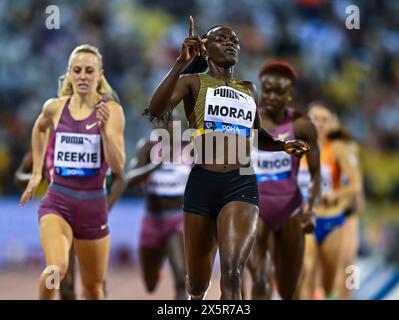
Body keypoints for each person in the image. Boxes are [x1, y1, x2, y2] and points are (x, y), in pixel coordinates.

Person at [146, 16, 310, 300]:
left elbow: (257, 136)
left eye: (234, 40)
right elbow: (155, 108)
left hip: (241, 184)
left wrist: (283, 146)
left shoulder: (248, 90)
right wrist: (179, 63)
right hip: (201, 183)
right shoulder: (192, 82)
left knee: (233, 273)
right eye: (222, 39)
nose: (231, 43)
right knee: (196, 285)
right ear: (205, 48)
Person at [19, 44, 125, 300]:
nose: (82, 76)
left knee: (93, 289)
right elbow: (39, 128)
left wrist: (103, 131)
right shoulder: (54, 108)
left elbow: (119, 166)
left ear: (100, 74)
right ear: (69, 74)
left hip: (93, 206)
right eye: (76, 70)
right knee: (55, 270)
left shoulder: (111, 111)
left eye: (89, 71)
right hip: (58, 202)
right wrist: (36, 172)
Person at [247, 60, 320, 300]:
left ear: (290, 95)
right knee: (259, 279)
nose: (271, 96)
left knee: (288, 290)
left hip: (290, 209)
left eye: (279, 92)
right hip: (253, 208)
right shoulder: (246, 122)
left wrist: (310, 210)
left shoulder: (302, 126)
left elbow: (316, 174)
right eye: (266, 89)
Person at [297, 103, 361, 300]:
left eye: (326, 120)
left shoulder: (346, 148)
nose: (322, 124)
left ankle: (345, 295)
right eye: (316, 119)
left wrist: (344, 203)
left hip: (343, 216)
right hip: (308, 216)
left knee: (348, 263)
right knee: (307, 269)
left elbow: (356, 187)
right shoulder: (298, 146)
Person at [126, 120, 191, 300]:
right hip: (152, 221)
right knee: (150, 284)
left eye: (170, 122)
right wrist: (154, 165)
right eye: (161, 122)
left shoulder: (188, 148)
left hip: (178, 220)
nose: (166, 126)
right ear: (154, 125)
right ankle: (158, 266)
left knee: (181, 277)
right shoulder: (147, 147)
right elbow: (130, 179)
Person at [327, 120, 365, 300]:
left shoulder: (350, 150)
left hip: (348, 217)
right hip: (329, 216)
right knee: (334, 262)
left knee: (350, 262)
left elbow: (359, 199)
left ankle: (348, 296)